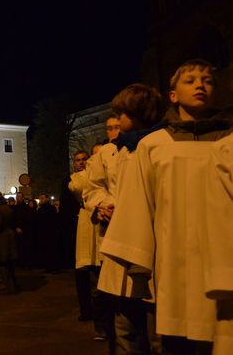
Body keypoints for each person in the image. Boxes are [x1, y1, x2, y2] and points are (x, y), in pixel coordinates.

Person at [101, 60, 233, 354]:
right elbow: (139, 204)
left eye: (208, 81)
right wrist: (139, 263)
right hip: (175, 261)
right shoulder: (155, 144)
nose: (200, 85)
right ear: (173, 95)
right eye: (191, 80)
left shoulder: (230, 142)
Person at [95, 83, 166, 355]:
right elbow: (96, 187)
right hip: (120, 245)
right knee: (125, 327)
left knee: (157, 328)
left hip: (153, 246)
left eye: (121, 115)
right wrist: (103, 204)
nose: (115, 121)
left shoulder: (160, 146)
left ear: (136, 113)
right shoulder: (116, 151)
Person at [83, 114, 122, 343]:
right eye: (110, 128)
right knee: (107, 287)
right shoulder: (104, 155)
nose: (114, 132)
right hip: (109, 225)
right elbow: (91, 187)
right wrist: (102, 205)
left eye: (117, 127)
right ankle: (108, 328)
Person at [63, 150, 95, 322]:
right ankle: (86, 309)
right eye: (78, 160)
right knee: (82, 270)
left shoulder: (95, 175)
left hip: (94, 220)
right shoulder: (71, 180)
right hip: (80, 223)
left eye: (84, 160)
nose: (81, 162)